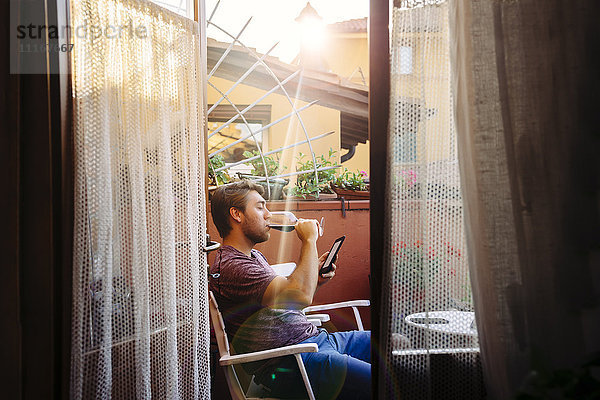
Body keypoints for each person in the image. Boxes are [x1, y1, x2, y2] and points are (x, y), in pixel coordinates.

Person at [209, 180, 371, 399]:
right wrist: (309, 240)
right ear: (236, 214)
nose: (268, 214)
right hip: (294, 362)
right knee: (387, 380)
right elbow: (300, 296)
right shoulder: (232, 266)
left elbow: (288, 299)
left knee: (395, 343)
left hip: (316, 342)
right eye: (260, 207)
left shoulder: (253, 256)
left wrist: (317, 278)